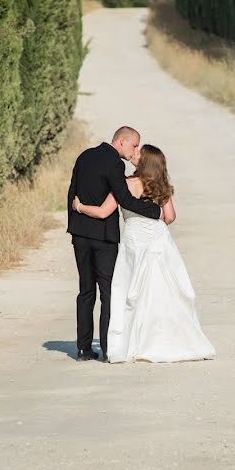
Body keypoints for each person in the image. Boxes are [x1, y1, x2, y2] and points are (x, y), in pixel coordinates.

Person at [73, 144, 215, 363]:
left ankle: (134, 340)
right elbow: (170, 217)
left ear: (145, 162)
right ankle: (167, 338)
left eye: (139, 153)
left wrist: (80, 207)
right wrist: (155, 218)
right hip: (158, 240)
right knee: (162, 290)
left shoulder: (126, 184)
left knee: (132, 291)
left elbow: (103, 212)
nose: (134, 153)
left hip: (134, 241)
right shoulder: (162, 186)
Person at [66, 126, 162, 362]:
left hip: (80, 234)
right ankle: (109, 348)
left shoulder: (84, 156)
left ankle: (83, 349)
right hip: (104, 237)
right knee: (108, 292)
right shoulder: (115, 164)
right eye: (134, 145)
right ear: (121, 141)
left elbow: (72, 192)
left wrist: (75, 219)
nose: (135, 151)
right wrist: (154, 211)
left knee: (85, 291)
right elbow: (125, 199)